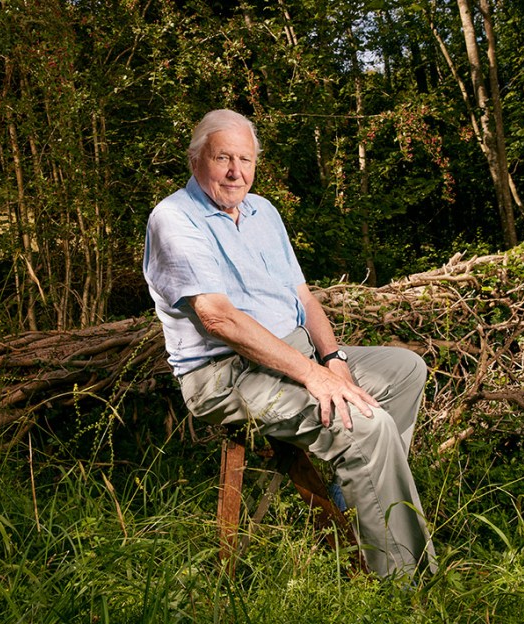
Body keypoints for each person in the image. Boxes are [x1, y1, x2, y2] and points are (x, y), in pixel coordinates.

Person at [142, 109, 436, 578]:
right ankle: (406, 582)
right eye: (224, 158)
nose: (237, 172)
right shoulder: (174, 218)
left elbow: (303, 297)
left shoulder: (264, 212)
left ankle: (357, 496)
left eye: (246, 159)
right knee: (370, 427)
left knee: (404, 371)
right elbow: (218, 318)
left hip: (294, 354)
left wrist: (333, 359)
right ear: (197, 160)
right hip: (226, 374)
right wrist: (313, 375)